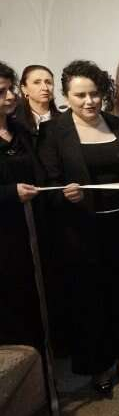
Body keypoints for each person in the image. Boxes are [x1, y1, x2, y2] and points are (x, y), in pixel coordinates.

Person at [37, 60, 119, 396]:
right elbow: (49, 181)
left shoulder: (117, 123)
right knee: (90, 300)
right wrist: (64, 194)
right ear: (66, 96)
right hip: (82, 230)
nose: (89, 101)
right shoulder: (54, 132)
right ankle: (99, 364)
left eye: (94, 94)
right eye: (80, 95)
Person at [0, 61, 45, 350]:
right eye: (1, 92)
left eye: (10, 89)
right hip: (4, 236)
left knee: (32, 299)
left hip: (30, 228)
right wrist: (9, 193)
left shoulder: (20, 130)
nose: (10, 96)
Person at [16, 65, 60, 134]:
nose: (45, 88)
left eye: (48, 82)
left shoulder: (65, 121)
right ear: (24, 89)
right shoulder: (14, 122)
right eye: (37, 82)